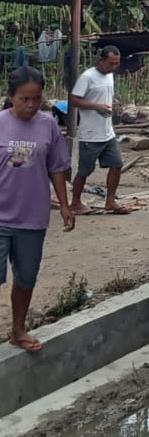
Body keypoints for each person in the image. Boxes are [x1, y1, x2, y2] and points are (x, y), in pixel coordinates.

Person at [0, 67, 74, 352]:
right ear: (11, 97)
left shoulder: (48, 125)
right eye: (24, 99)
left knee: (26, 277)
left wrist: (65, 205)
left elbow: (56, 167)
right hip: (1, 216)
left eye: (36, 99)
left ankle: (18, 330)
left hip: (32, 217)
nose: (31, 105)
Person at [69, 46, 124, 214]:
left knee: (117, 164)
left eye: (116, 63)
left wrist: (110, 106)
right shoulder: (87, 77)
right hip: (90, 134)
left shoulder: (110, 76)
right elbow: (73, 100)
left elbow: (105, 96)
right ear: (101, 60)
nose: (114, 67)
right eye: (111, 63)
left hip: (108, 132)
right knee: (85, 170)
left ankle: (110, 200)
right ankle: (76, 202)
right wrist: (95, 106)